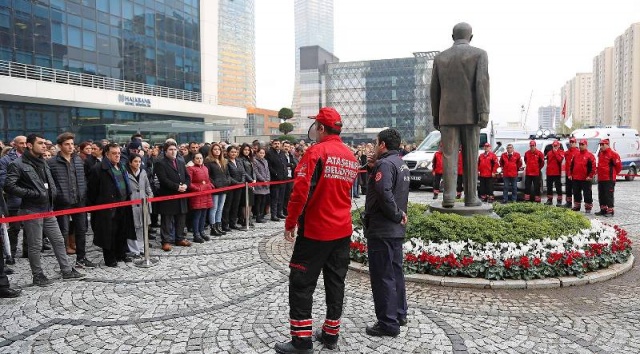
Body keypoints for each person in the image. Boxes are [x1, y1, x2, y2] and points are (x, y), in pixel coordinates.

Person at [275, 107, 358, 354]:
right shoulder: (350, 156)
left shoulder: (316, 152)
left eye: (316, 126)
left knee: (301, 284)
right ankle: (331, 334)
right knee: (336, 282)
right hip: (341, 230)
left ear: (321, 127)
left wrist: (290, 222)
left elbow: (300, 192)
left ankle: (301, 341)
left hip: (316, 232)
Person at [4, 134, 84, 285]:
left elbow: (49, 181)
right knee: (35, 245)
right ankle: (38, 275)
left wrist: (52, 192)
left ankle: (66, 270)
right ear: (29, 145)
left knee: (59, 240)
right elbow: (9, 186)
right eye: (40, 143)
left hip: (47, 208)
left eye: (44, 143)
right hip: (31, 209)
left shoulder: (43, 161)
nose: (44, 146)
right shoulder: (18, 164)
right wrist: (32, 193)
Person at [430, 22, 489, 208]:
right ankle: (471, 197)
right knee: (471, 156)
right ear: (470, 37)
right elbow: (481, 83)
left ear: (452, 36)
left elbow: (434, 90)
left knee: (448, 155)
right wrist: (483, 111)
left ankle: (448, 196)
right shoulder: (479, 54)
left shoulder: (440, 58)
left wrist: (436, 115)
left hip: (446, 115)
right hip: (471, 114)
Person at [363, 128, 410, 338]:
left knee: (383, 277)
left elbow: (383, 192)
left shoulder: (385, 163)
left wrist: (396, 214)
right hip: (395, 230)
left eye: (376, 142)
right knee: (395, 273)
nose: (374, 146)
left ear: (382, 145)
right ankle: (399, 314)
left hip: (383, 229)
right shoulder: (401, 163)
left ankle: (388, 323)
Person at [47, 132, 96, 267]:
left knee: (81, 230)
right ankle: (65, 264)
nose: (70, 147)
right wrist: (56, 196)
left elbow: (83, 178)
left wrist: (83, 192)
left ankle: (81, 258)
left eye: (72, 144)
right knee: (62, 232)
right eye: (67, 144)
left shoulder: (79, 160)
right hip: (62, 202)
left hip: (79, 201)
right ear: (60, 146)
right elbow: (49, 183)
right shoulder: (51, 163)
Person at [87, 143, 136, 266]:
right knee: (109, 233)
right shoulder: (98, 169)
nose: (117, 156)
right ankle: (110, 258)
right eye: (114, 153)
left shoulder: (122, 166)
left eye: (119, 153)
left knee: (122, 230)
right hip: (107, 207)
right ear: (107, 154)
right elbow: (92, 191)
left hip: (123, 204)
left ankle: (121, 254)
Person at [154, 141, 192, 251]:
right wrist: (176, 187)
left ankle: (179, 238)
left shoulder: (180, 161)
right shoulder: (160, 163)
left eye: (174, 149)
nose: (173, 151)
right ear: (165, 151)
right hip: (168, 195)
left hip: (181, 195)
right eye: (170, 149)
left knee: (181, 218)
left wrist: (186, 185)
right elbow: (163, 179)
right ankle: (166, 241)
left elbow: (187, 177)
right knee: (167, 219)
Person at [0, 135, 27, 262]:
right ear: (14, 145)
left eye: (26, 142)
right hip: (15, 199)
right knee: (14, 228)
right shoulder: (5, 160)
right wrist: (21, 189)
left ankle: (28, 252)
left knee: (30, 227)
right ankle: (12, 253)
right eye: (21, 143)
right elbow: (4, 180)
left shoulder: (32, 158)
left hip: (31, 200)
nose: (24, 145)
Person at [126, 154, 154, 256]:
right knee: (133, 227)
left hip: (143, 203)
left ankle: (142, 247)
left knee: (143, 226)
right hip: (132, 203)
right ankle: (134, 249)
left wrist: (150, 197)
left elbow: (147, 187)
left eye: (139, 161)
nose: (137, 164)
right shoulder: (126, 173)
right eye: (135, 161)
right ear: (130, 162)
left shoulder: (143, 172)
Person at [186, 153, 214, 243]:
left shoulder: (205, 168)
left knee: (203, 214)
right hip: (197, 194)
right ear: (193, 160)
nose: (199, 160)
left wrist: (210, 185)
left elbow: (208, 179)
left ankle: (202, 232)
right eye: (197, 158)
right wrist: (198, 188)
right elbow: (189, 182)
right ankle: (196, 234)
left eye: (201, 158)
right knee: (197, 215)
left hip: (205, 194)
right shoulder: (191, 169)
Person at [205, 143, 228, 236]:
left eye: (218, 149)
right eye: (215, 149)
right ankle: (213, 228)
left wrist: (227, 181)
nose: (217, 151)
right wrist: (214, 184)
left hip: (224, 187)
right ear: (211, 151)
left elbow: (226, 174)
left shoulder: (223, 161)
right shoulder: (208, 162)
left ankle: (218, 226)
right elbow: (208, 176)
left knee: (220, 208)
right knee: (214, 208)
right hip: (215, 188)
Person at [596, 139, 622, 217]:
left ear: (607, 145)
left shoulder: (613, 154)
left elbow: (619, 166)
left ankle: (610, 211)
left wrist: (613, 174)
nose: (601, 146)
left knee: (609, 195)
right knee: (601, 195)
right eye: (600, 145)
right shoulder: (600, 154)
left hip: (609, 179)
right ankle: (603, 209)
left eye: (602, 145)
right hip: (601, 178)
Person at [569, 139, 596, 213]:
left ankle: (588, 207)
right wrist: (570, 174)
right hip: (576, 178)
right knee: (576, 192)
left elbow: (593, 167)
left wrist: (590, 176)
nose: (581, 146)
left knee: (587, 193)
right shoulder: (576, 155)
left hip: (586, 179)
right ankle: (577, 206)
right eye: (580, 144)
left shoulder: (590, 155)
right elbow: (571, 166)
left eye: (582, 145)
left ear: (586, 145)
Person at [223, 145, 246, 231]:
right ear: (228, 153)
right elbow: (227, 175)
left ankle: (233, 223)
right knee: (228, 206)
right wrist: (237, 183)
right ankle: (225, 224)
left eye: (235, 152)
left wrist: (242, 181)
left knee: (236, 206)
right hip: (230, 186)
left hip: (239, 186)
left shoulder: (239, 161)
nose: (234, 153)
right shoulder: (226, 162)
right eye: (232, 152)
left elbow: (243, 173)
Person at [265, 139, 287, 221]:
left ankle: (279, 213)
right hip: (275, 179)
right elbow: (269, 166)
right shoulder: (269, 153)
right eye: (275, 144)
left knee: (281, 197)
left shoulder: (282, 153)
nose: (277, 145)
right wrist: (276, 174)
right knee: (275, 197)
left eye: (278, 143)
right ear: (272, 144)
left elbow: (284, 164)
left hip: (283, 179)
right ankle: (273, 215)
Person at [238, 143, 256, 228]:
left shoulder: (249, 159)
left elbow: (253, 170)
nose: (247, 151)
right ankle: (245, 219)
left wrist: (254, 179)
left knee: (251, 202)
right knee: (245, 203)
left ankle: (249, 218)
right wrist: (251, 180)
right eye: (245, 150)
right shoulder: (240, 159)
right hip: (245, 182)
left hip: (251, 183)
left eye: (248, 150)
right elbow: (243, 172)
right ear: (242, 150)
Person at [252, 147, 270, 223]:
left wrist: (268, 180)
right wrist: (263, 180)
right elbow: (256, 172)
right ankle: (258, 216)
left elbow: (267, 171)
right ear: (257, 153)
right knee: (258, 201)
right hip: (259, 184)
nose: (262, 154)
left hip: (266, 184)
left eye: (263, 153)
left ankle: (262, 215)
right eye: (260, 153)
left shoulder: (265, 161)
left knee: (264, 201)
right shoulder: (254, 161)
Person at [545, 141, 565, 206]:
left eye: (556, 146)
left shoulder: (561, 152)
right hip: (549, 172)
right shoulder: (549, 153)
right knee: (549, 187)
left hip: (557, 173)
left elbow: (560, 159)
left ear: (559, 146)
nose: (555, 147)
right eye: (554, 146)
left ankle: (559, 201)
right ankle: (549, 200)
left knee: (558, 187)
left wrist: (555, 152)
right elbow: (547, 161)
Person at [564, 137, 579, 208]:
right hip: (568, 173)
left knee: (576, 190)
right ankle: (568, 202)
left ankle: (576, 204)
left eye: (573, 142)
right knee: (568, 189)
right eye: (570, 142)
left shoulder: (578, 152)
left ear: (575, 143)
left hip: (575, 174)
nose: (571, 143)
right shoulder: (566, 153)